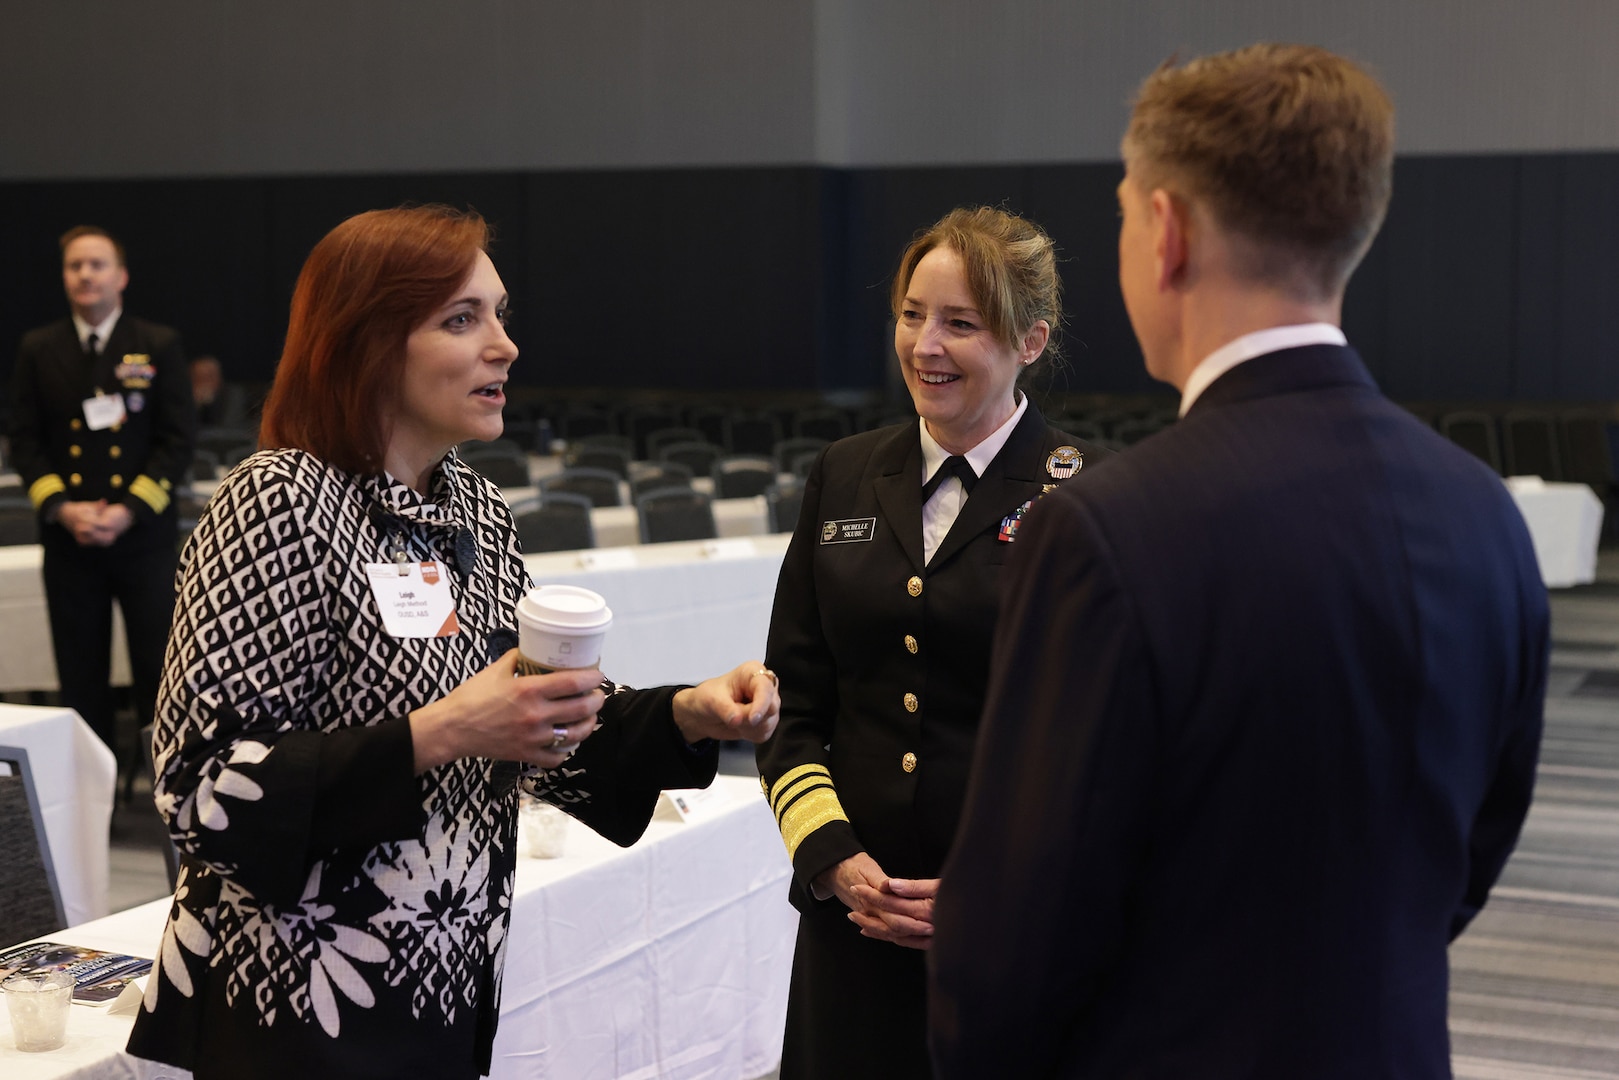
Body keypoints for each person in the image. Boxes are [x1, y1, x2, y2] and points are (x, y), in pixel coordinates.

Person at [929, 44, 1549, 1079]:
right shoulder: (1482, 512)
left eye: (1124, 212)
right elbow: (1471, 851)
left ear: (1164, 233)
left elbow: (1006, 949)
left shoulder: (1104, 532)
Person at [124, 205, 781, 1080]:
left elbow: (538, 730)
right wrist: (446, 731)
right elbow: (199, 789)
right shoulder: (276, 502)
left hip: (442, 989)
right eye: (462, 319)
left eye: (500, 315)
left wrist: (687, 718)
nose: (503, 345)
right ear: (368, 342)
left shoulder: (472, 509)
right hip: (290, 1006)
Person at [756, 206, 1110, 1078]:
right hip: (855, 924)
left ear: (1031, 340)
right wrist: (833, 860)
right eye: (912, 315)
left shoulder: (1093, 496)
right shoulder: (843, 473)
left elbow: (1106, 747)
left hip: (1017, 930)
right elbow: (792, 706)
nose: (925, 345)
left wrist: (1005, 889)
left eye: (961, 323)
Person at [10, 225, 195, 752]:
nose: (85, 274)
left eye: (96, 264)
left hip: (142, 540)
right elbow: (24, 441)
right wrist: (62, 508)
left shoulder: (157, 343)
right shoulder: (38, 348)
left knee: (158, 674)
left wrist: (129, 510)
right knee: (80, 678)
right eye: (75, 266)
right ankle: (89, 808)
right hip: (72, 542)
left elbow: (177, 441)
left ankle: (170, 795)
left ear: (121, 276)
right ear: (65, 277)